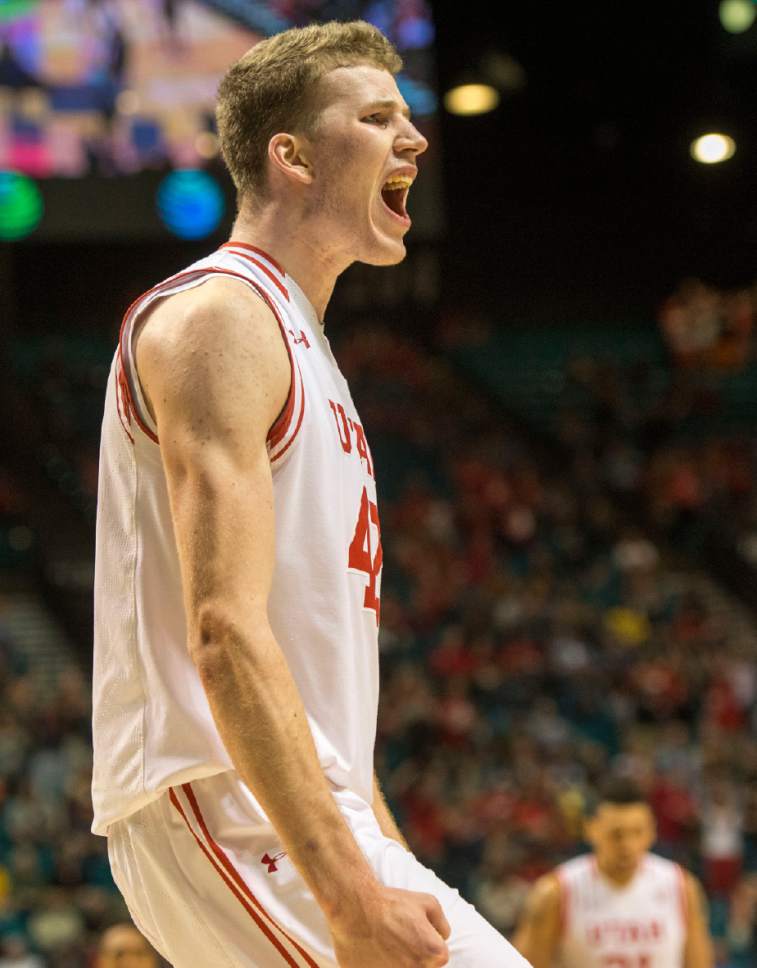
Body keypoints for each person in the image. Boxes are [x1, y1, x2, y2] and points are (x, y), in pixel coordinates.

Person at [90, 19, 531, 968]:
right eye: (376, 118)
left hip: (287, 802)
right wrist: (348, 886)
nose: (413, 140)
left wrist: (387, 858)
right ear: (288, 156)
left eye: (406, 118)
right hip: (219, 796)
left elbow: (317, 682)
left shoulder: (300, 341)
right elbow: (225, 630)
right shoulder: (221, 316)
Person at [513, 777, 713, 968]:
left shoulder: (681, 886)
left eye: (637, 832)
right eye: (616, 834)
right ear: (590, 829)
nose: (628, 845)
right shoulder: (557, 891)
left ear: (652, 832)